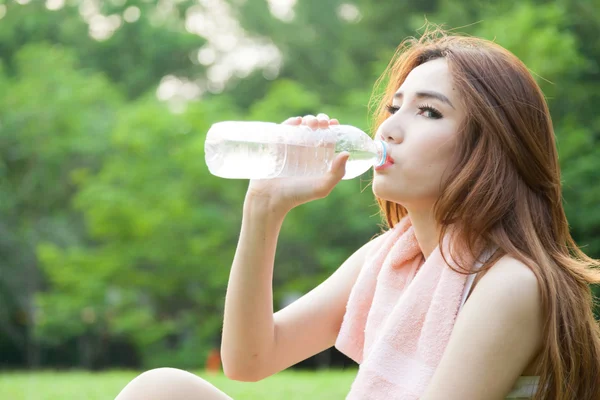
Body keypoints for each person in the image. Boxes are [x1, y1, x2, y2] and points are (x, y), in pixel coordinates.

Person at [114, 27, 600, 400]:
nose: (389, 128)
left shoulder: (512, 282)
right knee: (161, 389)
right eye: (394, 106)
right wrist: (263, 208)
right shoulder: (394, 259)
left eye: (428, 112)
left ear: (491, 145)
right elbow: (249, 359)